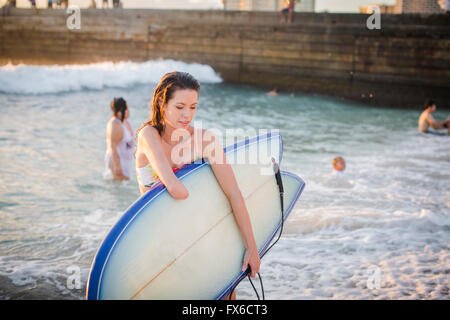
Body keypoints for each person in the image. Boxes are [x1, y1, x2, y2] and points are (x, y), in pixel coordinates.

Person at [134, 71, 260, 300]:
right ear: (162, 103)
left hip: (200, 232)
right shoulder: (148, 135)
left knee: (226, 293)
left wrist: (252, 247)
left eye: (193, 107)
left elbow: (233, 193)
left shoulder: (205, 139)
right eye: (180, 106)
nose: (187, 115)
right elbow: (176, 190)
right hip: (160, 239)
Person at [104, 97, 135, 181]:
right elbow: (112, 147)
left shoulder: (124, 121)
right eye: (126, 109)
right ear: (119, 111)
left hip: (125, 162)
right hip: (117, 164)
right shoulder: (115, 125)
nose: (129, 111)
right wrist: (117, 166)